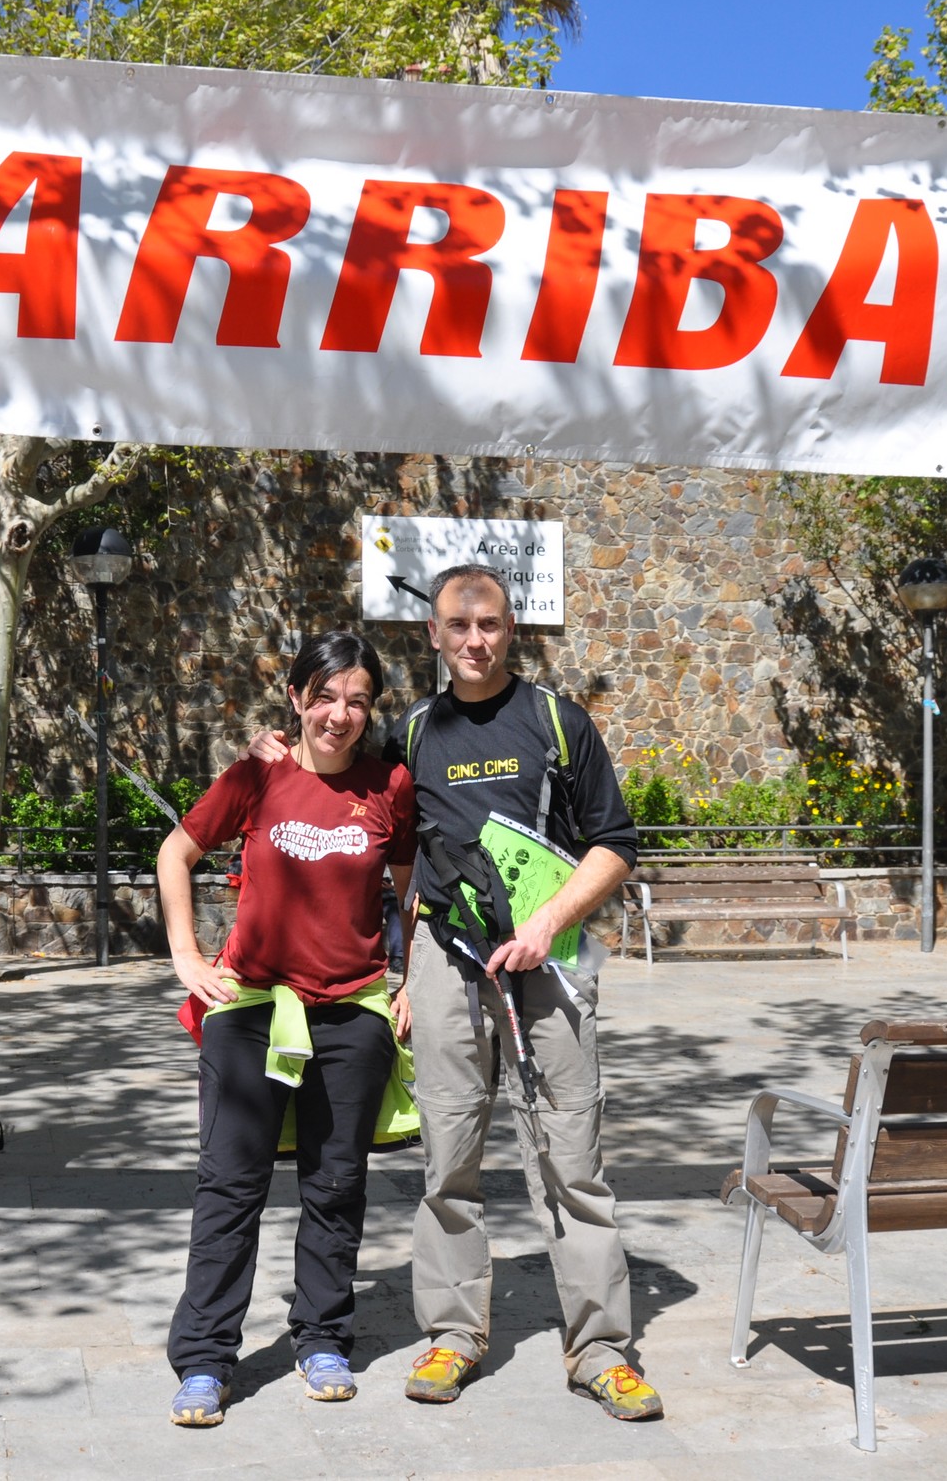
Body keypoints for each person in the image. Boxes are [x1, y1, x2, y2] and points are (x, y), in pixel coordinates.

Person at [250, 563, 660, 1421]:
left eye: (491, 624)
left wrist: (550, 920)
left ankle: (600, 1348)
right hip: (446, 960)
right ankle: (454, 1332)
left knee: (572, 1160)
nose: (476, 640)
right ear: (433, 634)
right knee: (448, 1158)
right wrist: (272, 755)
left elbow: (615, 843)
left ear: (513, 629)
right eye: (459, 626)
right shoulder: (412, 732)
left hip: (549, 963)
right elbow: (340, 785)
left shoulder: (557, 722)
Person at [161, 632, 417, 1428]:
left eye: (358, 701)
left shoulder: (390, 785)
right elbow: (176, 852)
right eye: (326, 696)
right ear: (297, 698)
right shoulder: (256, 774)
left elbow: (410, 884)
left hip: (351, 1013)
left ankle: (324, 1337)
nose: (340, 714)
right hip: (250, 1009)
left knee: (335, 1185)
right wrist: (186, 955)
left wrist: (412, 976)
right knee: (229, 1186)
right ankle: (205, 1357)